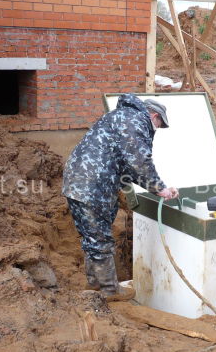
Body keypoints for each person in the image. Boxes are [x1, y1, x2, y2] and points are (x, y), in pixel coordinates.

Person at [62, 93, 178, 298]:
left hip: (79, 181)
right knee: (100, 237)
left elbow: (124, 165)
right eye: (159, 124)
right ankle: (109, 289)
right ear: (153, 115)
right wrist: (160, 188)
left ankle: (95, 284)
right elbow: (138, 161)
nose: (157, 129)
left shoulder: (120, 116)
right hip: (92, 185)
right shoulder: (135, 120)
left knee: (92, 235)